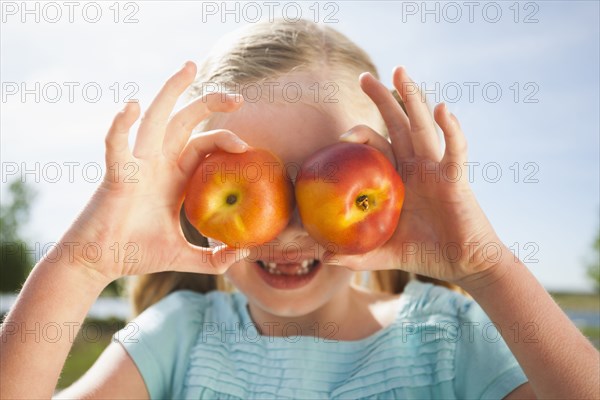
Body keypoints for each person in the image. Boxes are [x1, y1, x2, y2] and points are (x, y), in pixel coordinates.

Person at [1, 19, 598, 400]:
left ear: (390, 186)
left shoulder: (449, 338)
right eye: (252, 184)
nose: (285, 227)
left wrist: (487, 268)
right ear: (188, 197)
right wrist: (80, 264)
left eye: (320, 181)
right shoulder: (178, 337)